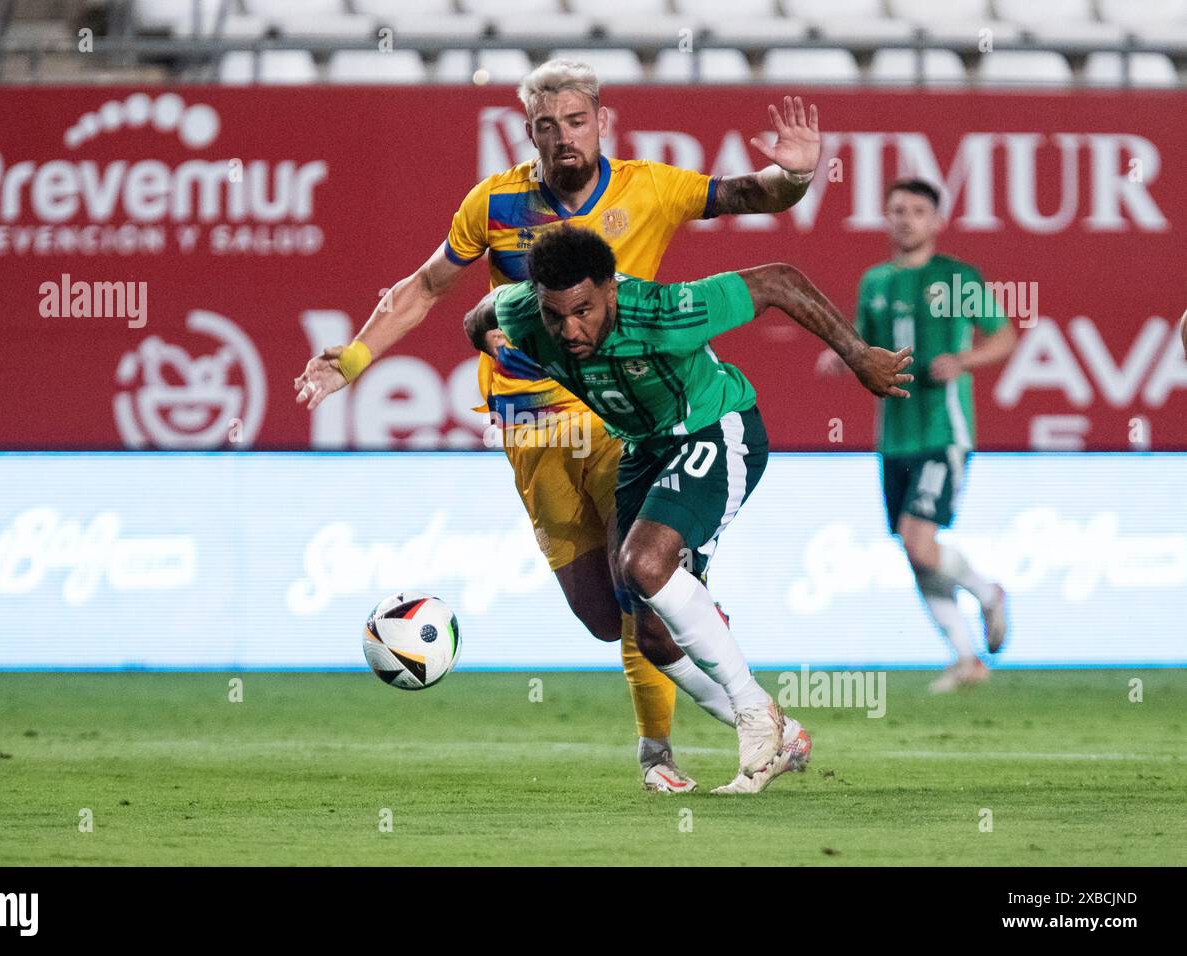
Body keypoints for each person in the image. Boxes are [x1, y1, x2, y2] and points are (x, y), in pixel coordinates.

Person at [294, 59, 824, 792]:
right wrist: (353, 359)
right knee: (604, 617)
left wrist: (795, 177)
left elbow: (752, 193)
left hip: (617, 417)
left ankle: (663, 749)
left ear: (602, 121)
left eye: (576, 121)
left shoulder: (652, 186)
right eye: (548, 126)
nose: (563, 137)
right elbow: (425, 287)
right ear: (529, 132)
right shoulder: (494, 203)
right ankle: (769, 722)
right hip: (527, 431)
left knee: (641, 581)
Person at [464, 224, 913, 793]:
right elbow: (479, 316)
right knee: (648, 634)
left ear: (610, 289)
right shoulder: (528, 312)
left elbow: (778, 281)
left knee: (645, 564)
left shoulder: (661, 312)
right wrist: (494, 344)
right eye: (556, 317)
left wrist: (856, 354)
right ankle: (785, 735)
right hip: (644, 449)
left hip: (716, 428)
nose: (569, 330)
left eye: (583, 311)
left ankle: (753, 711)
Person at [817, 178, 1017, 692]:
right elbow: (865, 344)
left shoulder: (955, 277)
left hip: (942, 430)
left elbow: (1004, 335)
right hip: (894, 438)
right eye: (897, 209)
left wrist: (963, 360)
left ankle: (987, 592)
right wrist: (845, 357)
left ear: (937, 220)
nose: (905, 218)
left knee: (919, 541)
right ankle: (967, 658)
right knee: (913, 551)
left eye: (917, 210)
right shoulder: (876, 282)